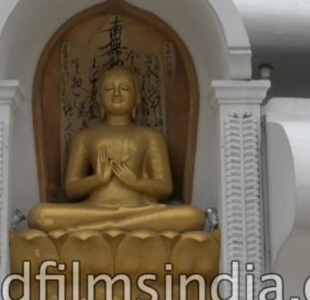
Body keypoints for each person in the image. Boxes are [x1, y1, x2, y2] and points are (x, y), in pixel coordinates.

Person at [29, 67, 204, 232]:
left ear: (137, 97)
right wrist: (98, 179)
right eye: (108, 89)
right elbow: (71, 190)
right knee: (40, 215)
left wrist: (135, 182)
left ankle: (107, 228)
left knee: (193, 216)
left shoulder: (151, 136)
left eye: (125, 88)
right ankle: (119, 226)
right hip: (95, 210)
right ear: (98, 98)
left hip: (139, 210)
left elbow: (165, 188)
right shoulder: (85, 137)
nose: (117, 94)